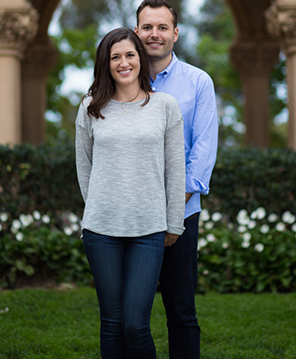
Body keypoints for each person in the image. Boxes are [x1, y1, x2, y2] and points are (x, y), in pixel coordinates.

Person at [75, 28, 186, 357]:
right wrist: (97, 208)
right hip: (101, 230)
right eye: (115, 57)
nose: (123, 63)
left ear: (140, 58)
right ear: (105, 64)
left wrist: (173, 223)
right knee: (111, 321)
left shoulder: (165, 106)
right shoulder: (91, 107)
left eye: (130, 55)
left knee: (135, 324)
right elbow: (85, 166)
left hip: (148, 230)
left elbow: (174, 168)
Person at [135, 0, 218, 358]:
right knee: (130, 314)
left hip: (180, 214)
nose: (155, 34)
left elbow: (202, 150)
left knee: (181, 311)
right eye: (148, 27)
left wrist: (172, 213)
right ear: (137, 32)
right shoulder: (121, 79)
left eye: (162, 27)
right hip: (131, 213)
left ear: (175, 33)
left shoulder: (198, 82)